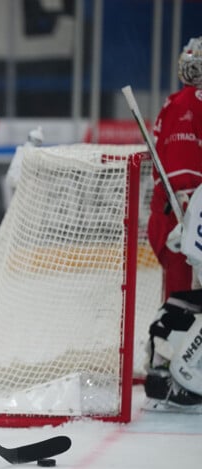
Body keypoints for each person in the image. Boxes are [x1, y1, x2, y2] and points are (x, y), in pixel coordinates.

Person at [144, 36, 202, 413]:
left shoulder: (172, 103)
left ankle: (171, 364)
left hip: (177, 215)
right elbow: (181, 176)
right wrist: (184, 208)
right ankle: (167, 369)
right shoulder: (185, 104)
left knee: (184, 297)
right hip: (184, 216)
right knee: (183, 297)